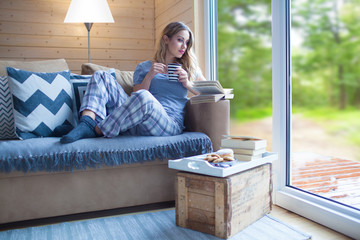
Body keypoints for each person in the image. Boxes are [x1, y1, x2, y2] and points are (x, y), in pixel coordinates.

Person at [60, 21, 206, 144]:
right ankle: (86, 122)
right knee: (101, 75)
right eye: (180, 40)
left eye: (187, 42)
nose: (184, 47)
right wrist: (150, 75)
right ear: (166, 39)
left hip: (168, 124)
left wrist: (187, 83)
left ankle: (96, 130)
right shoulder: (145, 67)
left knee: (146, 97)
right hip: (136, 120)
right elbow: (135, 97)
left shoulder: (190, 69)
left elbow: (212, 94)